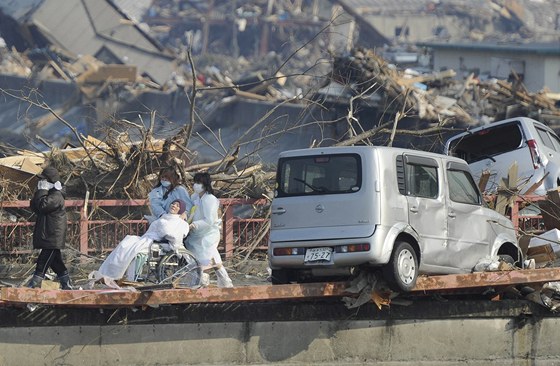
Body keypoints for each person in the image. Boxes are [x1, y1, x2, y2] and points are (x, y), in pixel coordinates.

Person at [92, 199, 189, 281]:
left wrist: (163, 228)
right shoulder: (164, 217)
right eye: (173, 204)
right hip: (147, 238)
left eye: (177, 205)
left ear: (181, 210)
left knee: (133, 249)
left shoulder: (180, 223)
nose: (174, 206)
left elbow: (174, 236)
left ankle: (123, 276)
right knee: (125, 244)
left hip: (156, 243)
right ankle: (108, 273)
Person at [27, 166, 73, 290]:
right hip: (48, 233)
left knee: (43, 261)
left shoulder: (56, 196)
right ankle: (67, 284)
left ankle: (34, 284)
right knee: (56, 262)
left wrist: (42, 191)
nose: (41, 182)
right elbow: (35, 207)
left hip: (53, 235)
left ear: (50, 181)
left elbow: (42, 206)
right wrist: (40, 191)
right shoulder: (49, 194)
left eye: (44, 180)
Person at [186, 172, 233, 288]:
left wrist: (194, 225)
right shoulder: (195, 197)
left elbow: (210, 220)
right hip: (197, 234)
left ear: (205, 184)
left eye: (199, 183)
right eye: (195, 182)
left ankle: (203, 282)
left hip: (208, 234)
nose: (195, 185)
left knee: (206, 257)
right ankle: (226, 282)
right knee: (212, 258)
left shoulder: (210, 199)